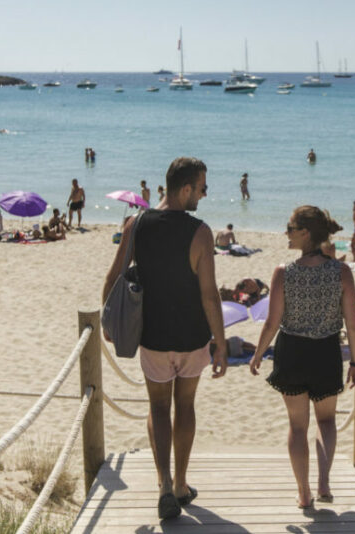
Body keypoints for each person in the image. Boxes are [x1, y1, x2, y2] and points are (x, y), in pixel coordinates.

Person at [102, 156, 227, 520]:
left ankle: (162, 484)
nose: (204, 195)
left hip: (153, 336)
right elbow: (209, 294)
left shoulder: (135, 225)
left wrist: (111, 324)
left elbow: (112, 280)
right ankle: (181, 485)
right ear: (185, 188)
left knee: (158, 408)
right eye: (202, 188)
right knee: (185, 406)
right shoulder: (201, 232)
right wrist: (219, 343)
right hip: (191, 337)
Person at [249, 205, 355, 508]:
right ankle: (324, 483)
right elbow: (352, 322)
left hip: (292, 351)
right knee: (326, 420)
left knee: (297, 425)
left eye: (290, 227)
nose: (285, 232)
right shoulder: (341, 271)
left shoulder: (283, 272)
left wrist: (258, 354)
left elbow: (272, 322)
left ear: (305, 233)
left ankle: (303, 493)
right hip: (326, 350)